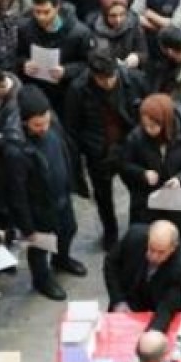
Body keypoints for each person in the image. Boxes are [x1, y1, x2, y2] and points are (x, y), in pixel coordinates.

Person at [5, 86, 89, 300]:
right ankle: (42, 279)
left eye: (46, 121)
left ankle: (62, 259)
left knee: (68, 230)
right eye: (37, 125)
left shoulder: (53, 127)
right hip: (39, 208)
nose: (43, 127)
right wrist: (27, 227)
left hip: (62, 197)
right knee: (40, 247)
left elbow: (65, 151)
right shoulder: (16, 149)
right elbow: (16, 194)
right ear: (25, 122)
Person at [66, 52, 149, 250]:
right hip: (99, 153)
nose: (109, 82)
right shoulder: (78, 90)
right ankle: (110, 232)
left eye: (112, 77)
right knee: (103, 197)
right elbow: (72, 128)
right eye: (102, 79)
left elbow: (147, 110)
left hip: (130, 148)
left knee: (139, 191)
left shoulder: (134, 80)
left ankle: (137, 231)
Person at [120, 94, 181, 253]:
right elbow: (124, 164)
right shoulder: (136, 138)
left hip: (180, 200)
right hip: (150, 200)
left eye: (154, 126)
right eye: (145, 125)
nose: (149, 130)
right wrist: (142, 173)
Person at [104, 221, 181, 331]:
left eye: (161, 252)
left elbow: (166, 308)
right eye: (151, 249)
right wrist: (118, 301)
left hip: (163, 307)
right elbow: (111, 264)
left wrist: (151, 334)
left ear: (173, 248)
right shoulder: (134, 236)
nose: (154, 257)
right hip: (130, 298)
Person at [15, 0, 95, 113]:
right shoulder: (25, 29)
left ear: (57, 8)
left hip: (66, 93)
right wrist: (24, 64)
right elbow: (17, 56)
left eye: (46, 12)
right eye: (37, 12)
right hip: (37, 90)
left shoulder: (80, 33)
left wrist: (66, 71)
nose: (41, 17)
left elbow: (88, 64)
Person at [90, 0, 147, 67]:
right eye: (113, 16)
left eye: (122, 14)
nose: (118, 20)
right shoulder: (93, 26)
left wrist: (137, 57)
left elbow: (143, 52)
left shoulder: (133, 23)